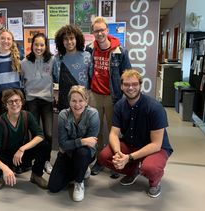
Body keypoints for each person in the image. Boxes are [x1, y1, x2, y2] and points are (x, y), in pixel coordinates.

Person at [97, 69, 173, 198]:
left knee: (150, 168)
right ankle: (133, 171)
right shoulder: (119, 106)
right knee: (104, 156)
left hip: (155, 149)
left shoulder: (155, 108)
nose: (130, 87)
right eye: (126, 84)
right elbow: (114, 134)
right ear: (121, 86)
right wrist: (118, 153)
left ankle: (155, 182)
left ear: (140, 85)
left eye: (134, 84)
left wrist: (129, 157)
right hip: (131, 144)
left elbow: (156, 144)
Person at [85, 16, 132, 176]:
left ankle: (115, 162)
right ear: (93, 32)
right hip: (94, 96)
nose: (99, 33)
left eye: (102, 30)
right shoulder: (89, 50)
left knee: (114, 131)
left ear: (107, 30)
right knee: (96, 130)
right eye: (96, 31)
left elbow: (127, 76)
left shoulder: (120, 50)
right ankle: (99, 160)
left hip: (114, 97)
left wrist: (126, 98)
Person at [0, 89, 49, 190]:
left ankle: (36, 175)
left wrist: (22, 149)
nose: (14, 104)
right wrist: (4, 168)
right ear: (5, 104)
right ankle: (1, 176)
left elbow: (40, 135)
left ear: (22, 102)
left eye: (17, 100)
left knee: (44, 145)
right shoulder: (0, 122)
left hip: (21, 155)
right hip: (5, 156)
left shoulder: (27, 116)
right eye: (10, 101)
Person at [48, 86, 99, 202]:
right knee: (53, 187)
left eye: (81, 101)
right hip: (67, 154)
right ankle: (81, 169)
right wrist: (82, 141)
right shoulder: (63, 115)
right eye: (74, 101)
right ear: (69, 101)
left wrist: (72, 144)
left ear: (86, 101)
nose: (77, 105)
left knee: (82, 152)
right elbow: (62, 144)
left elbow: (90, 145)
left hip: (84, 154)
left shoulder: (93, 114)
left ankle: (79, 182)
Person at [21, 33, 54, 174]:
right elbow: (21, 81)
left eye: (42, 45)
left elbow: (57, 77)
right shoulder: (24, 62)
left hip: (47, 100)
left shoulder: (52, 60)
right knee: (35, 133)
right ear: (32, 45)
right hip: (31, 100)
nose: (39, 47)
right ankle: (34, 159)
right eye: (36, 44)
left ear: (46, 46)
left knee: (48, 133)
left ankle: (46, 160)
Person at [52, 24, 93, 111]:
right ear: (61, 41)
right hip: (64, 100)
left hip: (83, 100)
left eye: (71, 38)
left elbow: (92, 77)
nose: (69, 42)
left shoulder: (87, 56)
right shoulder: (57, 59)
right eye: (66, 39)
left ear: (77, 39)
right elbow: (55, 78)